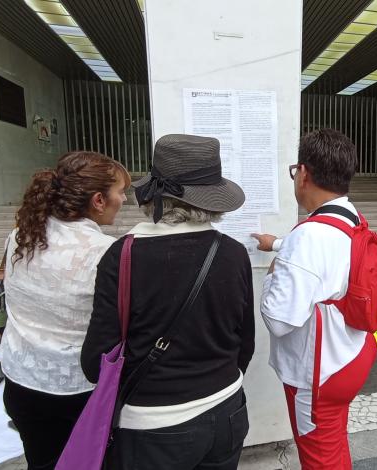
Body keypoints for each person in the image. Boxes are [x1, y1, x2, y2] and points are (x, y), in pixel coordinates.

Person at [82, 134, 255, 470]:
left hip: (153, 425)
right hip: (227, 409)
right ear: (211, 199)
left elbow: (96, 361)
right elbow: (244, 342)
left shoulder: (122, 255)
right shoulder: (233, 253)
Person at [252, 129, 377, 469]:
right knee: (333, 444)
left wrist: (275, 270)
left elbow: (279, 320)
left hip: (319, 374)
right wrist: (278, 244)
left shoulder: (308, 236)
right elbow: (325, 254)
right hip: (353, 352)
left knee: (319, 459)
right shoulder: (351, 218)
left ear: (304, 173)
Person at [1, 151, 131, 470]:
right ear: (99, 200)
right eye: (120, 191)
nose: (124, 199)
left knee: (41, 461)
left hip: (20, 381)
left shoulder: (21, 236)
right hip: (79, 391)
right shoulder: (106, 252)